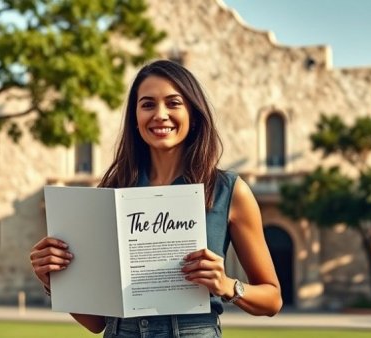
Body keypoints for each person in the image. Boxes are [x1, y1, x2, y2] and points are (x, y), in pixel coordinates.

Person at [29, 60, 282, 337]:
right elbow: (96, 323)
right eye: (148, 105)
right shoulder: (111, 193)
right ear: (135, 119)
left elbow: (272, 299)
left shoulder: (227, 190)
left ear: (193, 115)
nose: (160, 114)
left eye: (173, 103)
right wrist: (55, 280)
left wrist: (226, 285)